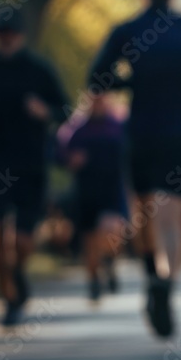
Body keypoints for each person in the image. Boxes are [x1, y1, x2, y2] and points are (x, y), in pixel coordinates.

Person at [89, 0, 181, 337]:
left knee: (144, 210)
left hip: (140, 134)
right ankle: (166, 281)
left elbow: (97, 77)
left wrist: (132, 80)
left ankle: (153, 274)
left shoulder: (127, 31)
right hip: (179, 134)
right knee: (172, 215)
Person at [0, 9, 70, 326]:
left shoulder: (39, 70)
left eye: (11, 33)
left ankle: (18, 271)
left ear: (20, 35)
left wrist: (44, 112)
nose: (6, 38)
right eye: (1, 33)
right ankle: (8, 297)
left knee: (22, 238)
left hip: (32, 163)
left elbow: (65, 110)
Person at [58, 94, 128, 301]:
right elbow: (59, 153)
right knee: (89, 240)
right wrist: (70, 160)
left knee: (111, 231)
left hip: (112, 189)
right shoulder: (76, 129)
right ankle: (93, 280)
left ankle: (109, 261)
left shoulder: (118, 125)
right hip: (85, 191)